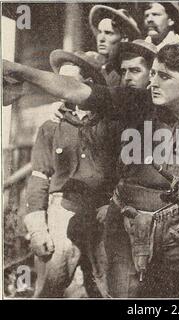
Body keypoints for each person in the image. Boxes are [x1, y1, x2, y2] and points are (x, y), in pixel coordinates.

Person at [3, 42, 179, 298]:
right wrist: (19, 70)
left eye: (164, 76)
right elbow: (78, 91)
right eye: (153, 74)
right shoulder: (137, 102)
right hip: (127, 225)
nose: (154, 83)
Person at [24, 50, 119, 298]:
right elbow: (39, 176)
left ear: (88, 84)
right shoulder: (51, 125)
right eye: (58, 81)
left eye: (68, 82)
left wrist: (113, 206)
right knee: (50, 287)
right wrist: (38, 228)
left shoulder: (111, 125)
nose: (60, 88)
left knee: (108, 289)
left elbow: (126, 173)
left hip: (101, 213)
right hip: (62, 213)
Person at [89, 5, 141, 86]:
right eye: (99, 32)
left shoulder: (124, 73)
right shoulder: (99, 67)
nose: (101, 38)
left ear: (124, 39)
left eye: (108, 33)